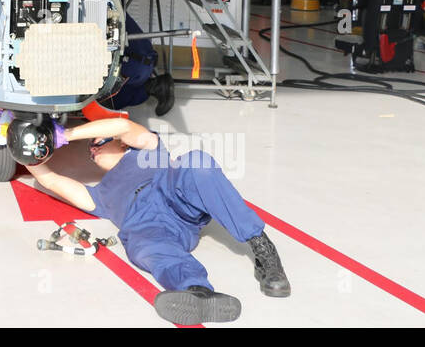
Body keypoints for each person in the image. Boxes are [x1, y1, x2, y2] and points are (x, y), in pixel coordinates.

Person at [24, 116, 290, 325]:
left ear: (121, 143)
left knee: (197, 163)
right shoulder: (100, 194)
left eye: (97, 143)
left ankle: (263, 249)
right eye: (90, 152)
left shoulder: (147, 150)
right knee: (146, 247)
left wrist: (64, 134)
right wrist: (24, 153)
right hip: (147, 225)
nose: (92, 151)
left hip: (171, 194)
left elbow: (122, 126)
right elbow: (50, 180)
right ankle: (197, 292)